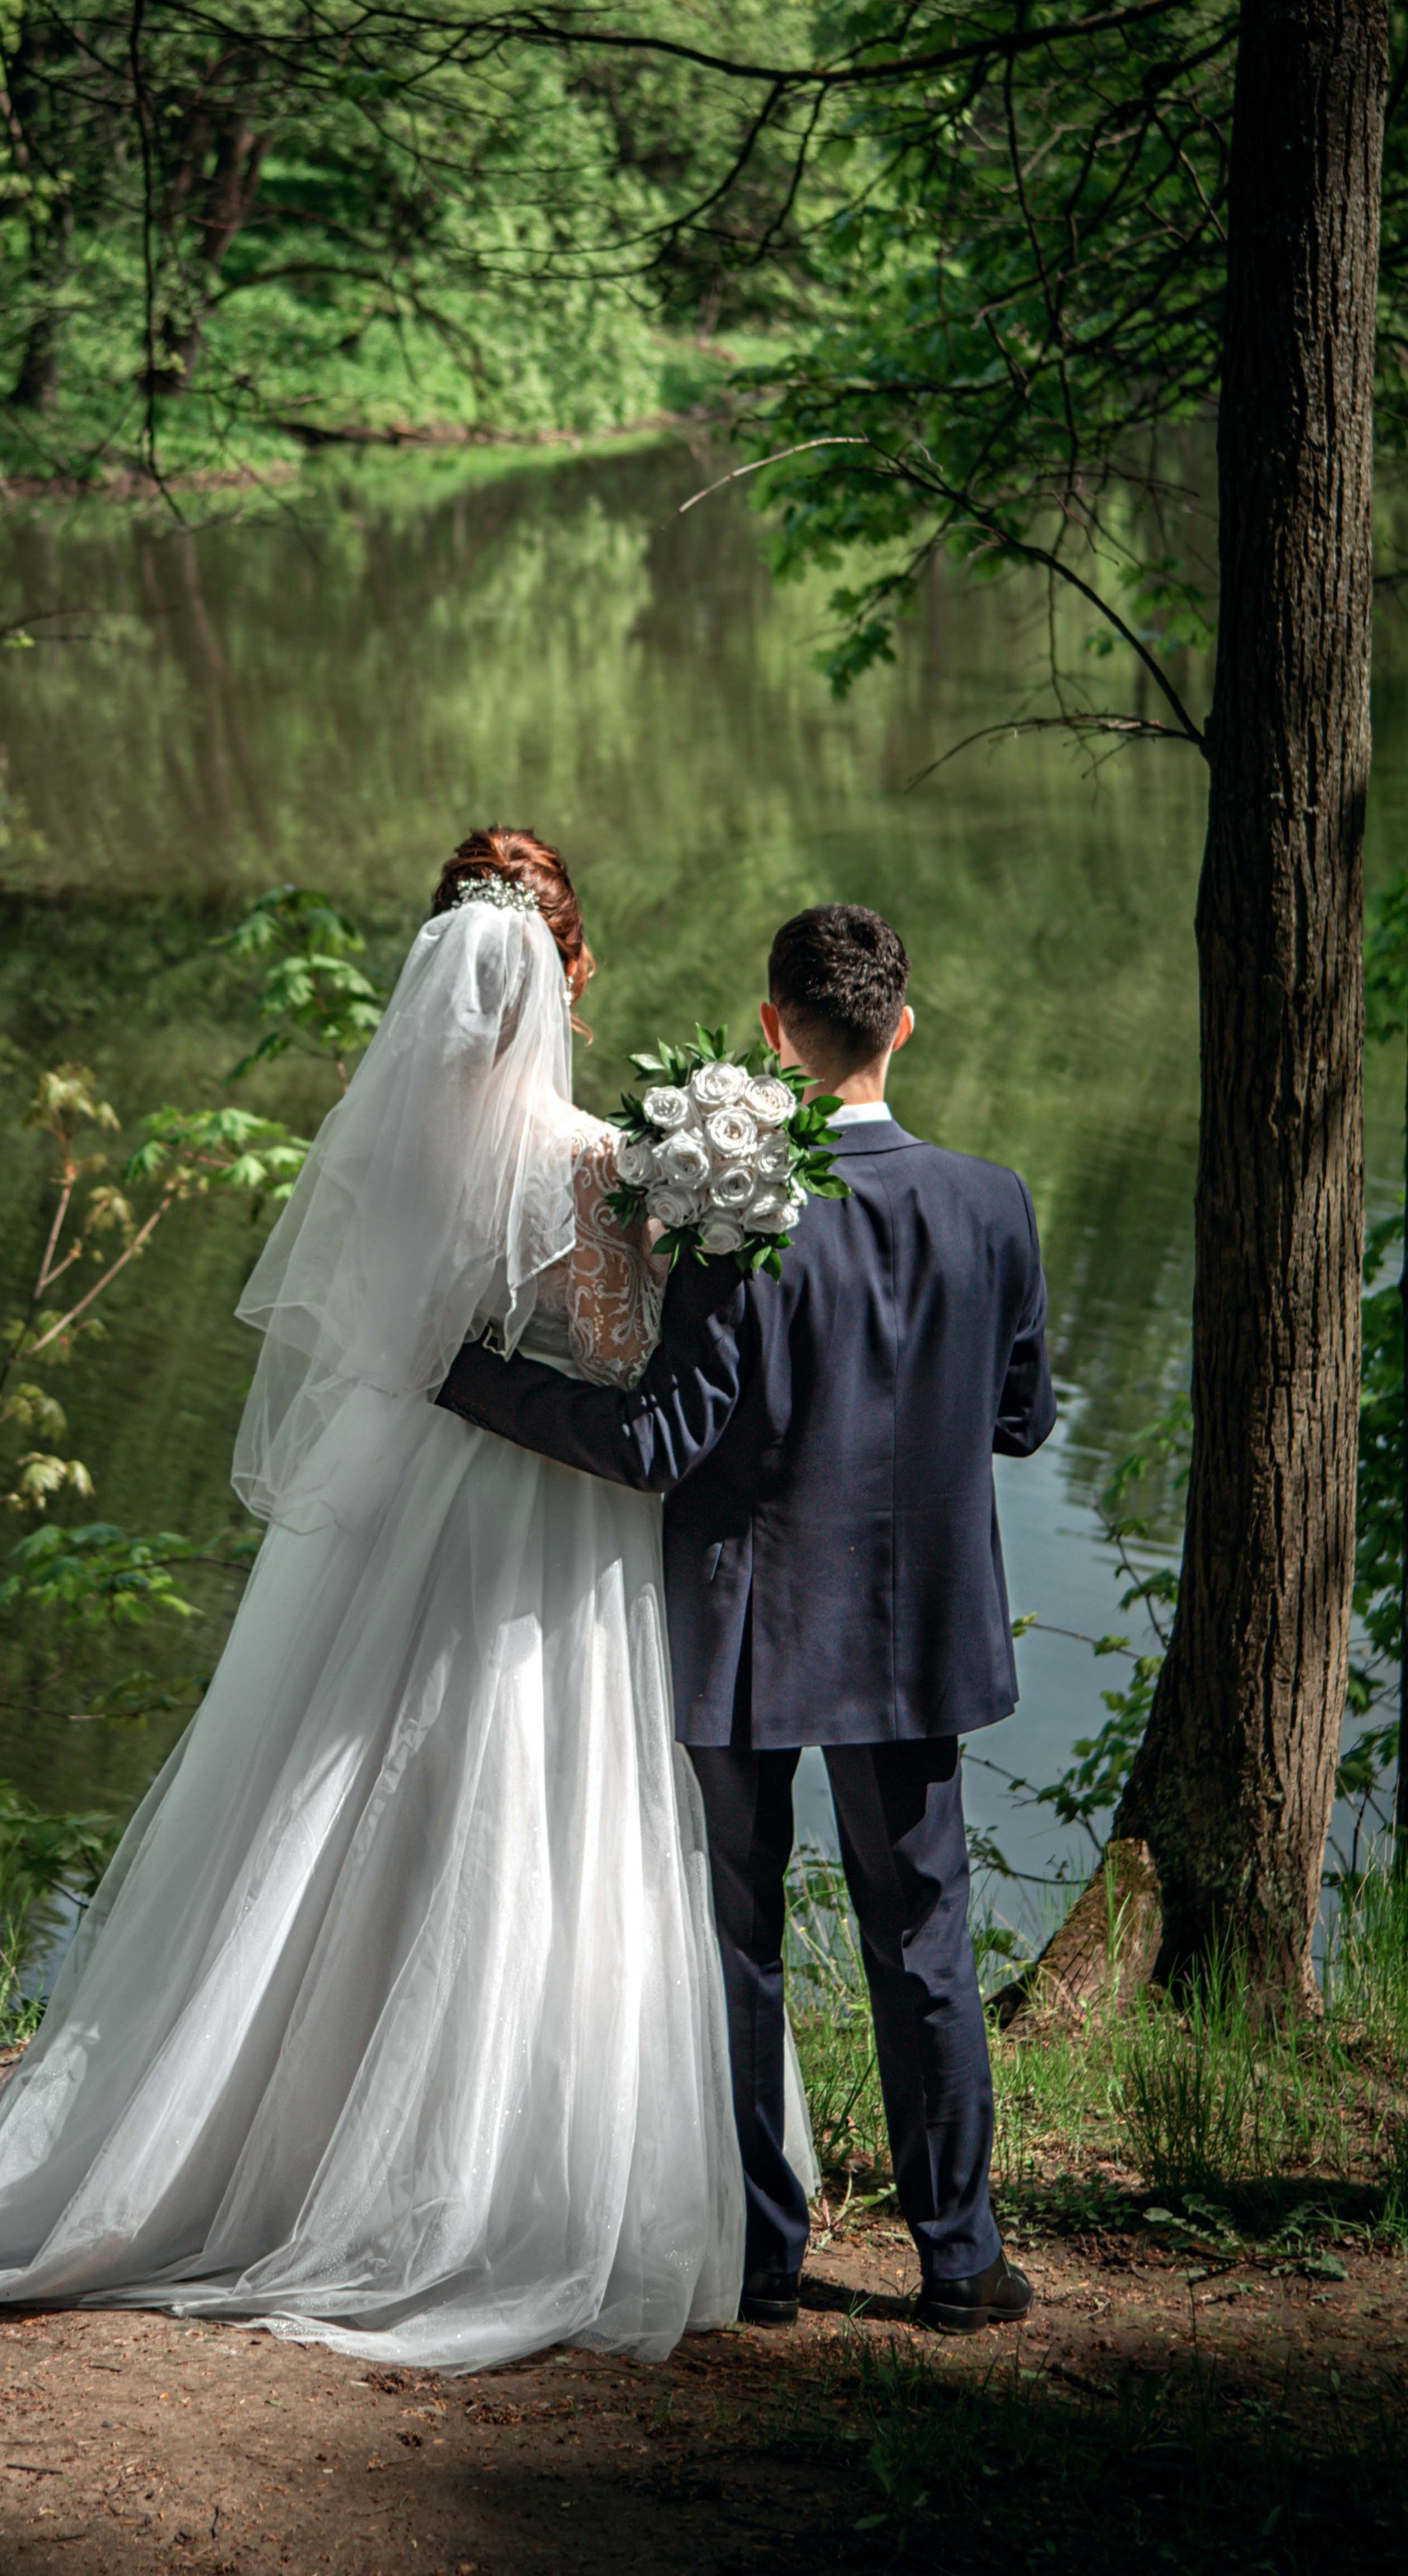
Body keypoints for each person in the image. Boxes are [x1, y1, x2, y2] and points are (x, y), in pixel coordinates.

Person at [0, 828, 763, 2368]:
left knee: (334, 1804)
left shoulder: (386, 1147)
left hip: (396, 1516)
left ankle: (259, 2143)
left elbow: (389, 1338)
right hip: (542, 1527)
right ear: (569, 974)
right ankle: (460, 2182)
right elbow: (614, 1364)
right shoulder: (594, 1166)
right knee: (509, 1815)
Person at [438, 901, 1055, 2332]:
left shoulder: (747, 1219)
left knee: (738, 1937)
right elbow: (1021, 1421)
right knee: (927, 1945)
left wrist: (473, 1381)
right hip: (916, 1636)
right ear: (905, 1025)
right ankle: (960, 2264)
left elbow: (658, 1442)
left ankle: (765, 2259)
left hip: (749, 1622)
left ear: (774, 1032)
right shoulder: (994, 1203)